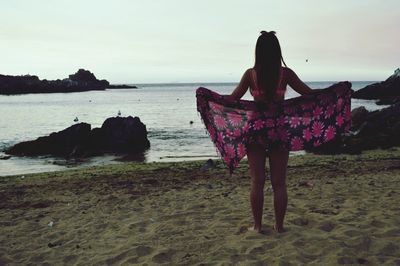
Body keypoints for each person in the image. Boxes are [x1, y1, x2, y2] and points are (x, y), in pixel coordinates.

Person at [229, 31, 316, 233]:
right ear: (277, 51)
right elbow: (308, 94)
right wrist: (334, 91)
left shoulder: (250, 74)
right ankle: (279, 227)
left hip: (256, 131)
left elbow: (232, 99)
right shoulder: (285, 74)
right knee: (279, 183)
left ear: (258, 52)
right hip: (278, 131)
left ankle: (258, 226)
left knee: (257, 181)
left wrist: (209, 97)